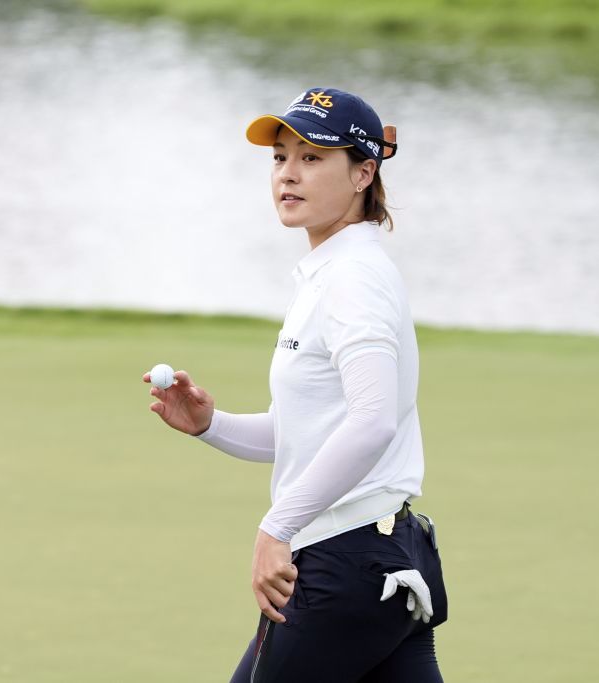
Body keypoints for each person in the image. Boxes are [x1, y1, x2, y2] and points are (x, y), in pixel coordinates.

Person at [142, 87, 448, 682]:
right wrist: (211, 425)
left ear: (363, 173)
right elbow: (309, 431)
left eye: (312, 158)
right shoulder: (334, 272)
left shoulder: (352, 278)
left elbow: (372, 421)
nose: (288, 173)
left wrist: (276, 526)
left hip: (345, 559)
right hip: (386, 553)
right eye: (280, 157)